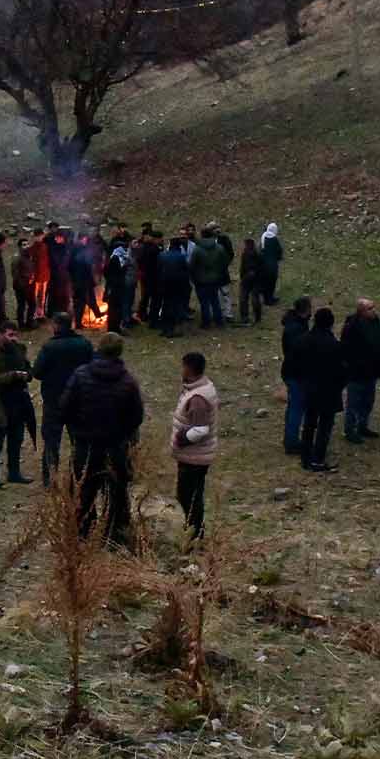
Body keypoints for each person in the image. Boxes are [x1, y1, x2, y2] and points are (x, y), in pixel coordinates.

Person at [60, 333, 144, 544]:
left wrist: (78, 428)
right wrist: (122, 433)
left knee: (82, 492)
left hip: (85, 446)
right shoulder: (127, 381)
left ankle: (82, 533)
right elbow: (136, 417)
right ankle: (114, 536)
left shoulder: (81, 375)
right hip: (114, 446)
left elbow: (65, 407)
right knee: (116, 492)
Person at [31, 312, 93, 486]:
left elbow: (37, 372)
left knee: (51, 442)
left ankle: (50, 479)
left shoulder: (50, 347)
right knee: (79, 442)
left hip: (54, 401)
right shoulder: (84, 344)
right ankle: (79, 476)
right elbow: (92, 367)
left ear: (57, 325)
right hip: (78, 401)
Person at [170, 352, 218, 541]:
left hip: (194, 456)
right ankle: (194, 531)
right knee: (192, 495)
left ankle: (195, 534)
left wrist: (180, 438)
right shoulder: (202, 388)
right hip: (196, 455)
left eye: (183, 366)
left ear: (189, 369)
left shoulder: (198, 398)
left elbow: (201, 429)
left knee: (188, 496)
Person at [291, 307, 346, 473]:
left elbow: (295, 364)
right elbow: (342, 370)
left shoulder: (303, 340)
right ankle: (318, 458)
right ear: (331, 323)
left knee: (309, 423)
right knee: (325, 426)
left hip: (309, 389)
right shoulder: (334, 345)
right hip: (329, 390)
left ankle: (305, 456)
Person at [0, 324, 35, 489]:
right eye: (10, 335)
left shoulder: (19, 350)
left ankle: (14, 472)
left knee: (16, 439)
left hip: (18, 402)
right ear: (1, 334)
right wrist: (13, 376)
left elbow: (28, 368)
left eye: (15, 335)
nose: (14, 339)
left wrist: (27, 375)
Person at [340, 299, 380, 443]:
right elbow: (346, 350)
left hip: (371, 370)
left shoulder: (375, 321)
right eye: (369, 308)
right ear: (361, 312)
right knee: (354, 403)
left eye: (373, 307)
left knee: (368, 401)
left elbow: (379, 342)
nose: (373, 310)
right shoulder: (351, 327)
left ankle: (362, 425)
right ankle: (350, 430)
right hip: (357, 372)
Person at [279, 296, 312, 454]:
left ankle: (290, 439)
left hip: (291, 371)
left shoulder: (294, 324)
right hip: (296, 374)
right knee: (296, 408)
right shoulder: (297, 329)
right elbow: (299, 353)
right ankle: (291, 442)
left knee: (295, 407)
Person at [191, 227, 228, 329]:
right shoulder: (219, 248)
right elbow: (224, 263)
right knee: (215, 300)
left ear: (202, 235)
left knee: (204, 302)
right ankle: (218, 321)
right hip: (215, 278)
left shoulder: (197, 249)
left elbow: (192, 266)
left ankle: (206, 322)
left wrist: (194, 278)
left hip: (201, 280)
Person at [158, 236, 192, 338]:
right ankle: (174, 329)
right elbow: (186, 271)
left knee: (165, 305)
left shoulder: (162, 255)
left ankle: (165, 328)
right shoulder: (181, 257)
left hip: (164, 285)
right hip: (178, 286)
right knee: (176, 306)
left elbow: (158, 270)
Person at [11, 239, 37, 330]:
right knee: (21, 305)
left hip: (30, 285)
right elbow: (15, 274)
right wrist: (22, 285)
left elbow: (32, 269)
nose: (26, 246)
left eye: (27, 244)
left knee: (32, 304)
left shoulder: (29, 256)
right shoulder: (17, 258)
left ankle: (30, 322)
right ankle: (21, 325)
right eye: (23, 245)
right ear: (19, 246)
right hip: (21, 286)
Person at [258, 222, 284, 306]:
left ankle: (266, 298)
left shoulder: (263, 237)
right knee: (272, 282)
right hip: (272, 265)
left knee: (265, 281)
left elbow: (260, 249)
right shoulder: (274, 239)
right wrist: (279, 258)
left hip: (264, 264)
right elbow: (279, 250)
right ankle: (269, 299)